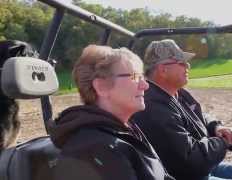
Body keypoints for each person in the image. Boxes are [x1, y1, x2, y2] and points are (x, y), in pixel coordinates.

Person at [132, 39, 232, 180]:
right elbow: (190, 161)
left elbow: (199, 116)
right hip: (183, 174)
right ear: (163, 69)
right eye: (181, 63)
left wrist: (216, 127)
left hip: (199, 167)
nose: (188, 66)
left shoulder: (176, 93)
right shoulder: (154, 107)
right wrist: (224, 141)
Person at [49, 45, 175, 180]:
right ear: (101, 87)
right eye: (135, 76)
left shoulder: (123, 129)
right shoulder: (96, 148)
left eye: (142, 77)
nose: (145, 85)